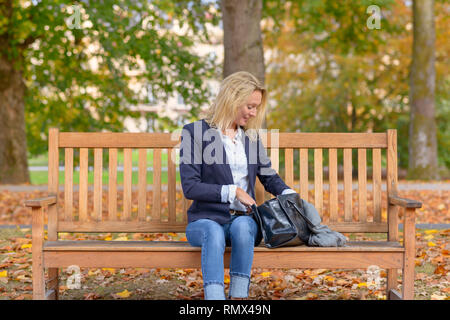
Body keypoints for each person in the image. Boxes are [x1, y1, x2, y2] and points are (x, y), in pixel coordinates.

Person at [179, 71, 296, 300]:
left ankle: (238, 298)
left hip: (242, 220)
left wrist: (289, 193)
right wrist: (234, 191)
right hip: (205, 221)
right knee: (213, 231)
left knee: (243, 227)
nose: (253, 113)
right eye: (249, 106)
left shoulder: (250, 138)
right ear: (232, 99)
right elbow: (190, 187)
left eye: (256, 108)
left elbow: (268, 176)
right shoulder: (194, 133)